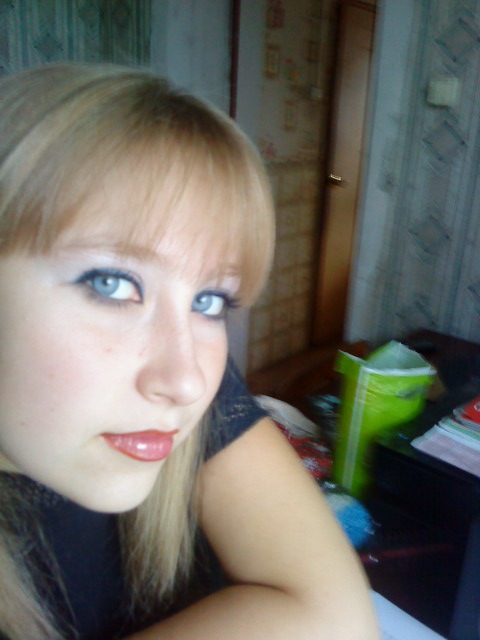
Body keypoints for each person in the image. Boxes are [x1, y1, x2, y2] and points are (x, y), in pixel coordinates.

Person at [0, 64, 379, 640]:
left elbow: (336, 616)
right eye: (111, 283)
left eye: (209, 300)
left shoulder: (192, 382)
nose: (188, 383)